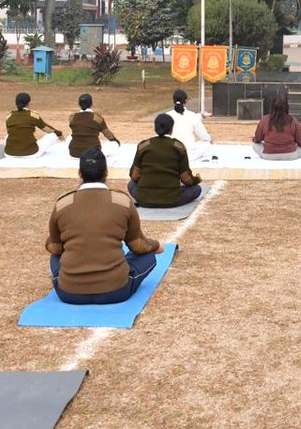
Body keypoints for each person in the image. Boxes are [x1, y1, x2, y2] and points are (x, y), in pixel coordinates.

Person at [47, 148, 165, 305]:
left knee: (56, 256)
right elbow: (138, 246)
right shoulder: (122, 201)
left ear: (80, 174)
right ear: (106, 172)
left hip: (69, 292)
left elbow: (55, 248)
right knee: (148, 255)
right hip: (116, 291)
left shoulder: (62, 204)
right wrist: (156, 245)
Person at [129, 113, 203, 208]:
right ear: (171, 130)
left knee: (131, 185)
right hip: (171, 199)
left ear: (155, 128)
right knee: (196, 189)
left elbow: (134, 176)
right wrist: (196, 180)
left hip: (144, 198)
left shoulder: (143, 146)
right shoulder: (178, 147)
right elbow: (186, 179)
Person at [5, 92, 63, 157]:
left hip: (9, 153)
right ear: (28, 103)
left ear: (16, 103)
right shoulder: (33, 115)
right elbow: (46, 129)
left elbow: (10, 131)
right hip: (31, 153)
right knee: (53, 135)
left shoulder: (9, 116)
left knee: (7, 136)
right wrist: (59, 134)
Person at [252, 95, 301, 160]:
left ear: (272, 106)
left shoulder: (264, 119)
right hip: (290, 155)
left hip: (268, 155)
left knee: (254, 145)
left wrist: (255, 139)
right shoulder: (293, 120)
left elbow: (257, 139)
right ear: (287, 107)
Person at [166, 89, 212, 163]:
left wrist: (201, 115)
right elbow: (204, 136)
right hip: (188, 155)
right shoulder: (192, 116)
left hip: (170, 154)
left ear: (173, 101)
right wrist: (209, 140)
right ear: (186, 101)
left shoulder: (166, 116)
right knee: (207, 143)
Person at [68, 93, 120, 158]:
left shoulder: (72, 117)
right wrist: (116, 141)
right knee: (114, 144)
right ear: (91, 104)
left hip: (74, 153)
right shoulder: (96, 117)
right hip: (93, 154)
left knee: (69, 138)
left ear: (79, 104)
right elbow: (107, 133)